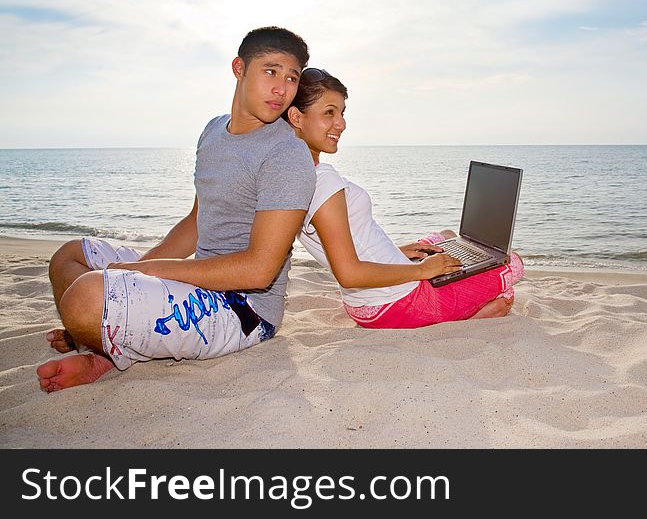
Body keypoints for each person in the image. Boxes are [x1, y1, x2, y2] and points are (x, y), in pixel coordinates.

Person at [38, 26, 316, 392]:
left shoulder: (286, 154)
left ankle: (101, 351)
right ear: (239, 68)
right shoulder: (213, 131)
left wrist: (144, 271)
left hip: (243, 309)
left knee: (86, 297)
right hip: (199, 278)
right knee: (68, 256)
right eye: (270, 71)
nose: (281, 88)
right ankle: (102, 344)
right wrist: (135, 273)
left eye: (292, 78)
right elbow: (196, 222)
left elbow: (260, 270)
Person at [285, 68, 524, 329]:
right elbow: (349, 273)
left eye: (342, 113)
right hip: (401, 303)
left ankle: (448, 293)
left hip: (364, 306)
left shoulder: (294, 177)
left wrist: (395, 253)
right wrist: (423, 270)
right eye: (329, 113)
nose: (341, 123)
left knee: (444, 236)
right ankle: (456, 322)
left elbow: (342, 246)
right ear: (296, 117)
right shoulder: (323, 181)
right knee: (512, 265)